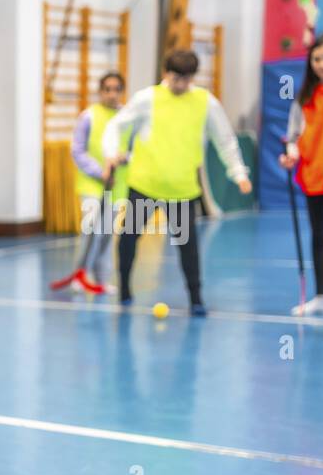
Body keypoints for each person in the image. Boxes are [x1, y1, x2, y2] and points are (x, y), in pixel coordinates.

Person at [102, 49, 253, 316]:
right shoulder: (147, 98)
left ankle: (196, 298)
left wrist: (238, 173)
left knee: (188, 247)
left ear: (193, 77)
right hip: (145, 185)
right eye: (175, 78)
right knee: (128, 239)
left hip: (181, 190)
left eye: (185, 79)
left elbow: (225, 139)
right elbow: (116, 125)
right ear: (166, 73)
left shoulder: (206, 102)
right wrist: (111, 152)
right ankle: (124, 289)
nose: (180, 84)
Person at [53, 71, 130, 295]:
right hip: (92, 184)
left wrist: (125, 157)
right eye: (107, 89)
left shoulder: (127, 118)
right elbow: (77, 150)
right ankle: (80, 275)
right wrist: (99, 172)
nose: (112, 94)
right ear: (100, 91)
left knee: (106, 233)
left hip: (117, 185)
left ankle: (102, 280)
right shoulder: (89, 116)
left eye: (116, 89)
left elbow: (135, 148)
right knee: (90, 230)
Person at [280, 32, 323, 323]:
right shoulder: (305, 96)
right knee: (318, 235)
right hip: (313, 174)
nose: (322, 64)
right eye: (317, 58)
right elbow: (293, 135)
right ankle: (321, 295)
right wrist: (290, 152)